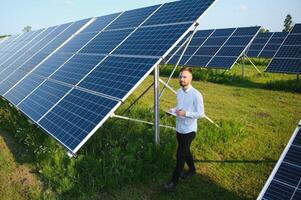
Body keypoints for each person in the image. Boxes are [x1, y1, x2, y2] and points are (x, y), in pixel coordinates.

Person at [163, 67, 205, 192]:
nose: (182, 79)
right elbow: (179, 107)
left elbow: (201, 114)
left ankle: (172, 183)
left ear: (190, 78)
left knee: (180, 155)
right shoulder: (179, 92)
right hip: (179, 128)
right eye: (180, 76)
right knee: (186, 151)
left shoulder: (196, 95)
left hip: (189, 130)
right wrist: (172, 111)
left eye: (185, 76)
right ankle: (192, 170)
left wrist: (185, 113)